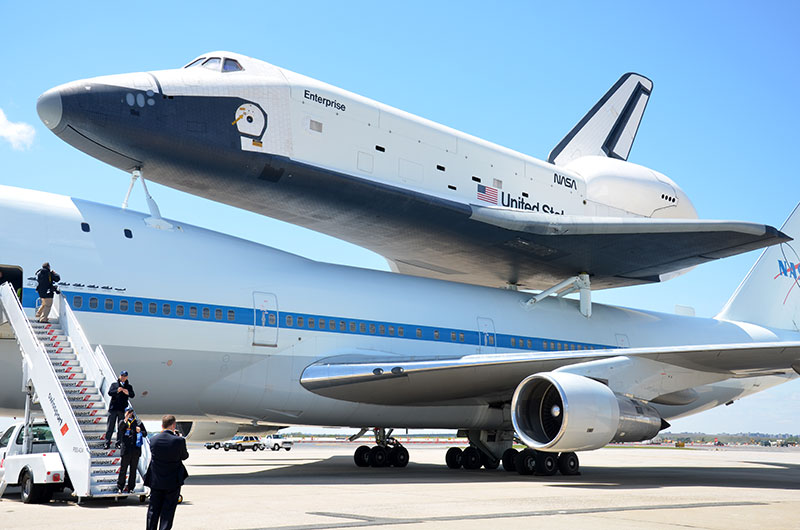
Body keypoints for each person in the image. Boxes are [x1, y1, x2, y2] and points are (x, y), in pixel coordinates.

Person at [145, 414, 189, 530]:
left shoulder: (153, 440)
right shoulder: (179, 441)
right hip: (172, 481)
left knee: (153, 510)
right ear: (173, 425)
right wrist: (178, 438)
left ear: (162, 425)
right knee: (168, 511)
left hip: (156, 480)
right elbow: (184, 456)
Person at [116, 405, 147, 492]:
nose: (130, 414)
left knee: (133, 470)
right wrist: (125, 419)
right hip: (126, 450)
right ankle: (120, 486)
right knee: (123, 469)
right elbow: (120, 428)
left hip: (135, 450)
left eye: (131, 412)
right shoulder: (123, 422)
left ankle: (131, 487)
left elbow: (145, 433)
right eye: (128, 412)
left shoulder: (137, 422)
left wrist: (140, 430)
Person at [104, 370, 135, 449]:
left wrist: (127, 392)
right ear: (119, 376)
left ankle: (118, 442)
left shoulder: (129, 386)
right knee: (110, 426)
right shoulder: (114, 385)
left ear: (127, 377)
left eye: (125, 376)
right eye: (122, 376)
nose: (123, 377)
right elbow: (110, 393)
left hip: (122, 409)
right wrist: (117, 391)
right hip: (113, 408)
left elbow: (132, 395)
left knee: (120, 427)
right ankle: (107, 442)